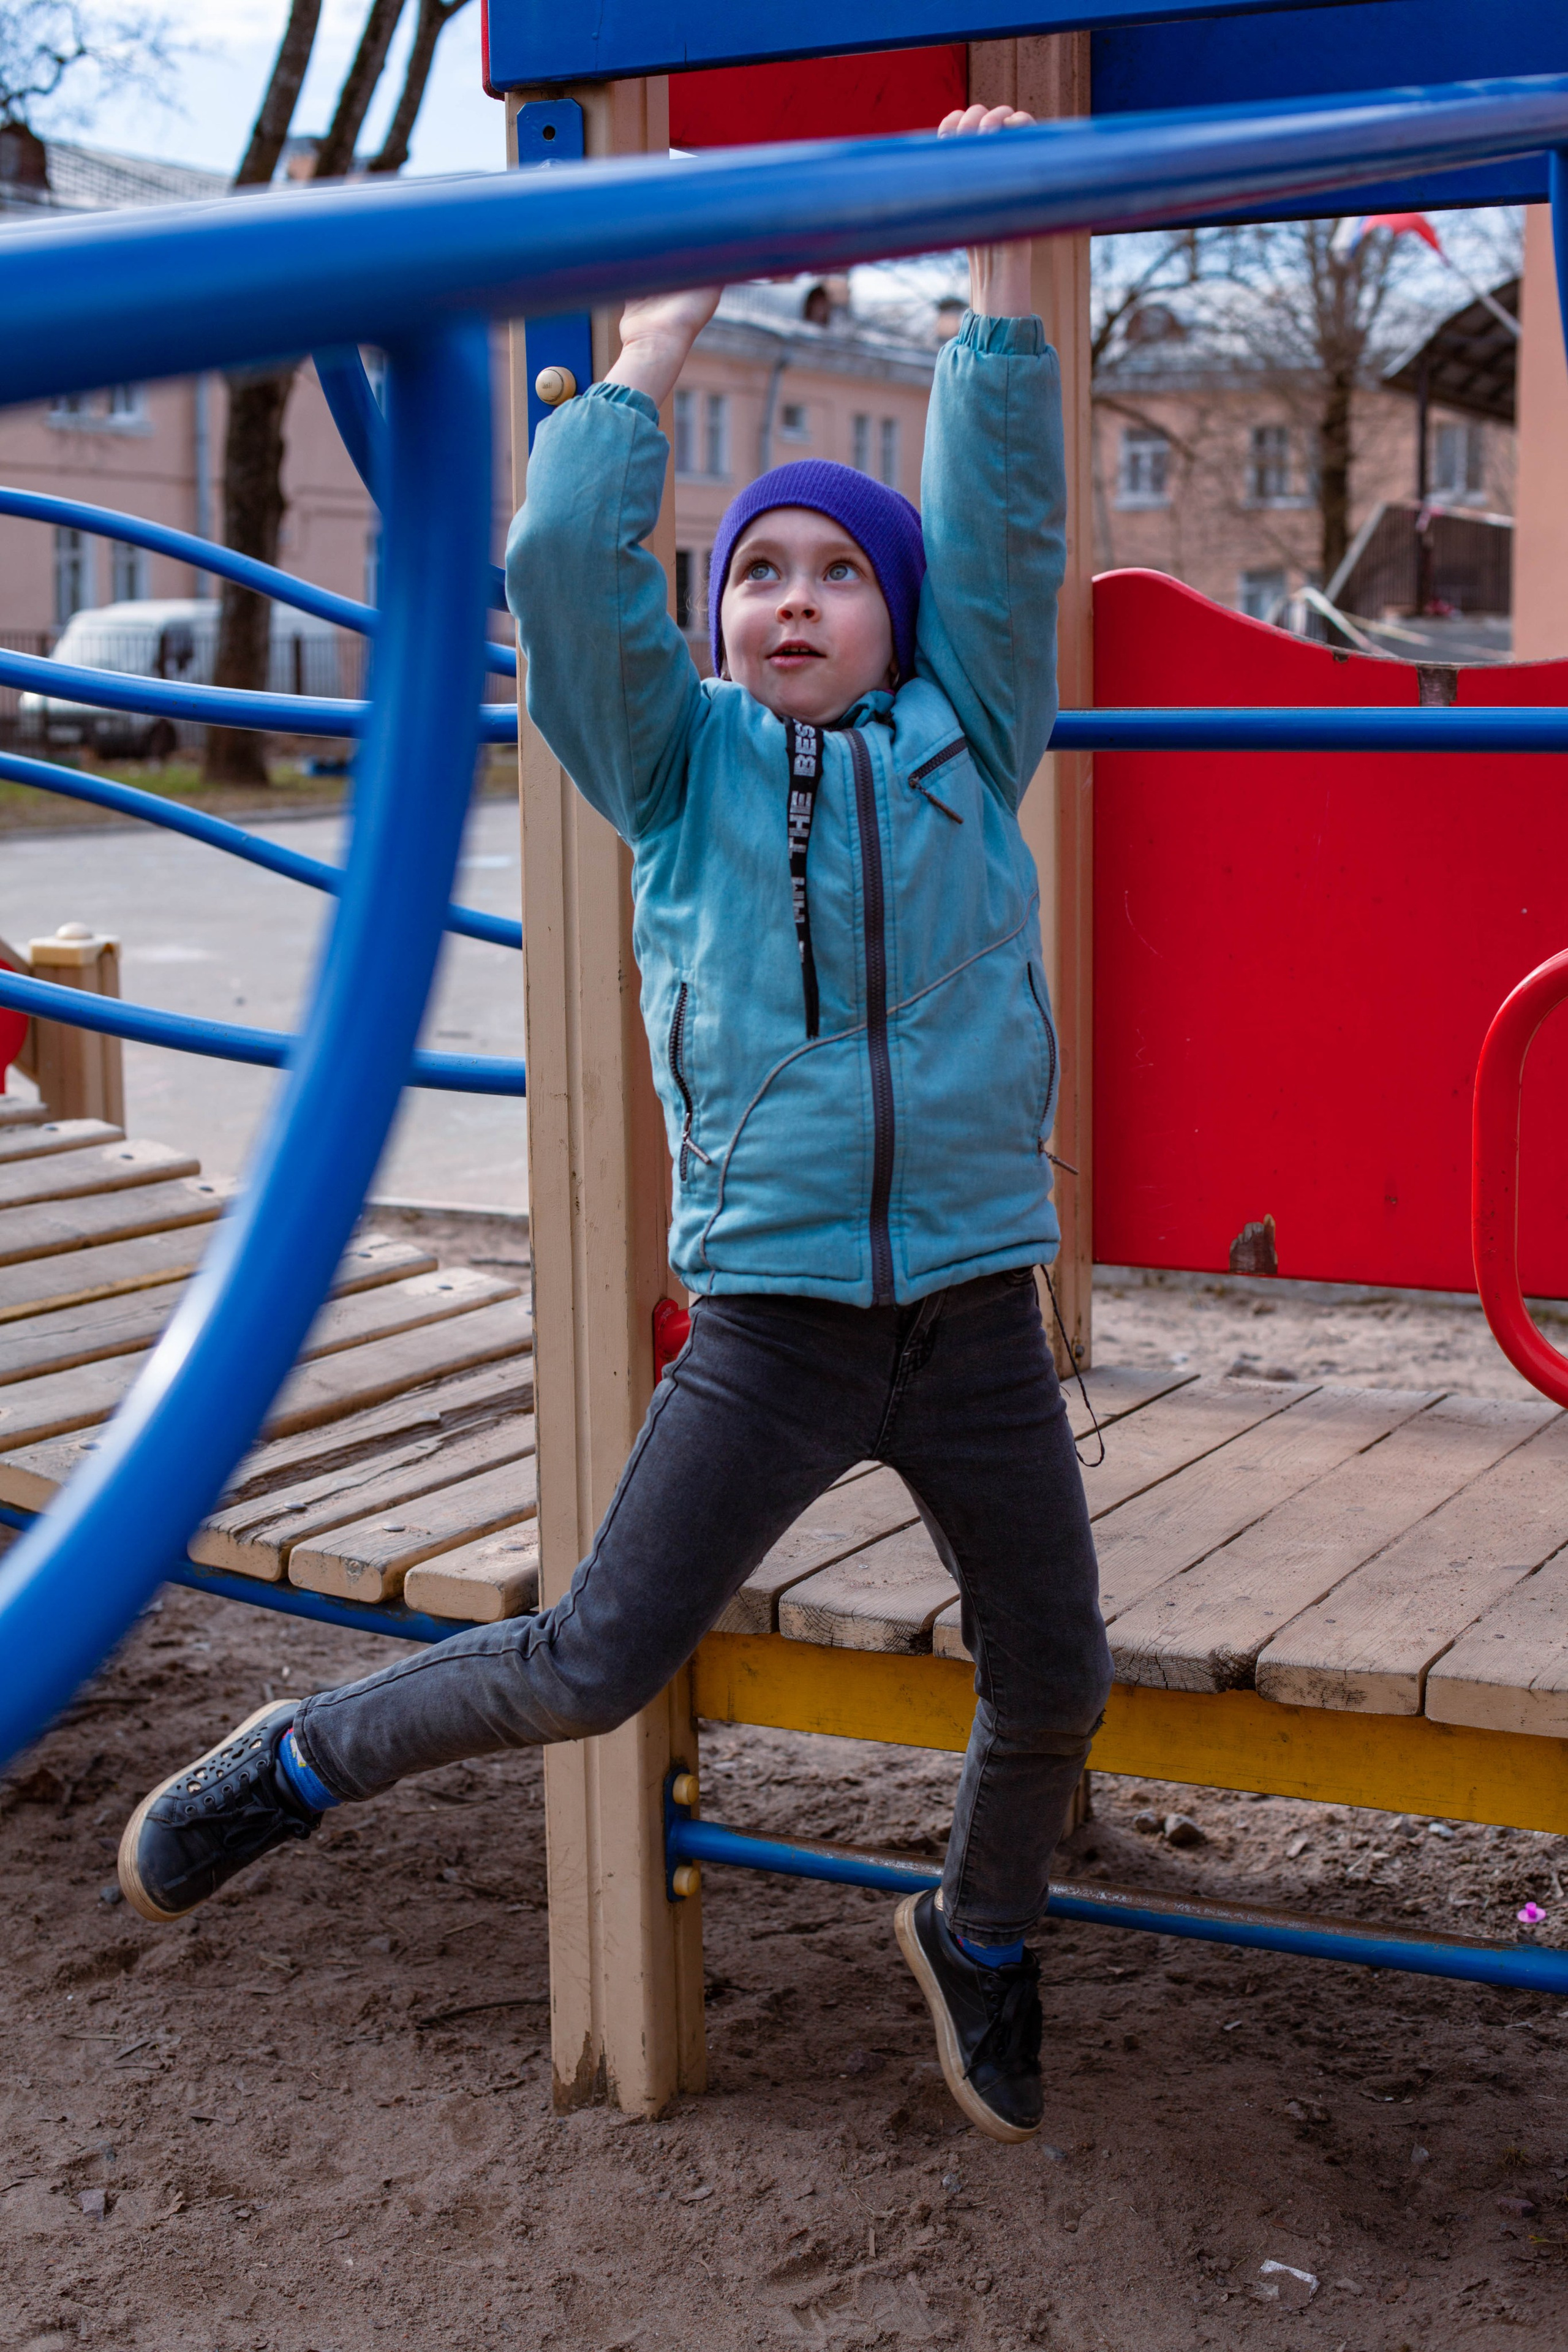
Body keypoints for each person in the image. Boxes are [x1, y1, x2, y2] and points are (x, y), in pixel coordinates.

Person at [117, 102, 1112, 2146]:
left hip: (978, 1321)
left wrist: (1008, 275)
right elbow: (572, 561)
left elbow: (1007, 523)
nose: (797, 601)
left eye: (843, 573)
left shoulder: (968, 734)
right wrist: (665, 332)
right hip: (773, 1325)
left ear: (908, 629)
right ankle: (298, 1760)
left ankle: (980, 1935)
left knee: (1060, 1674)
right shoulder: (680, 774)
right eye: (759, 572)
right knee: (590, 1659)